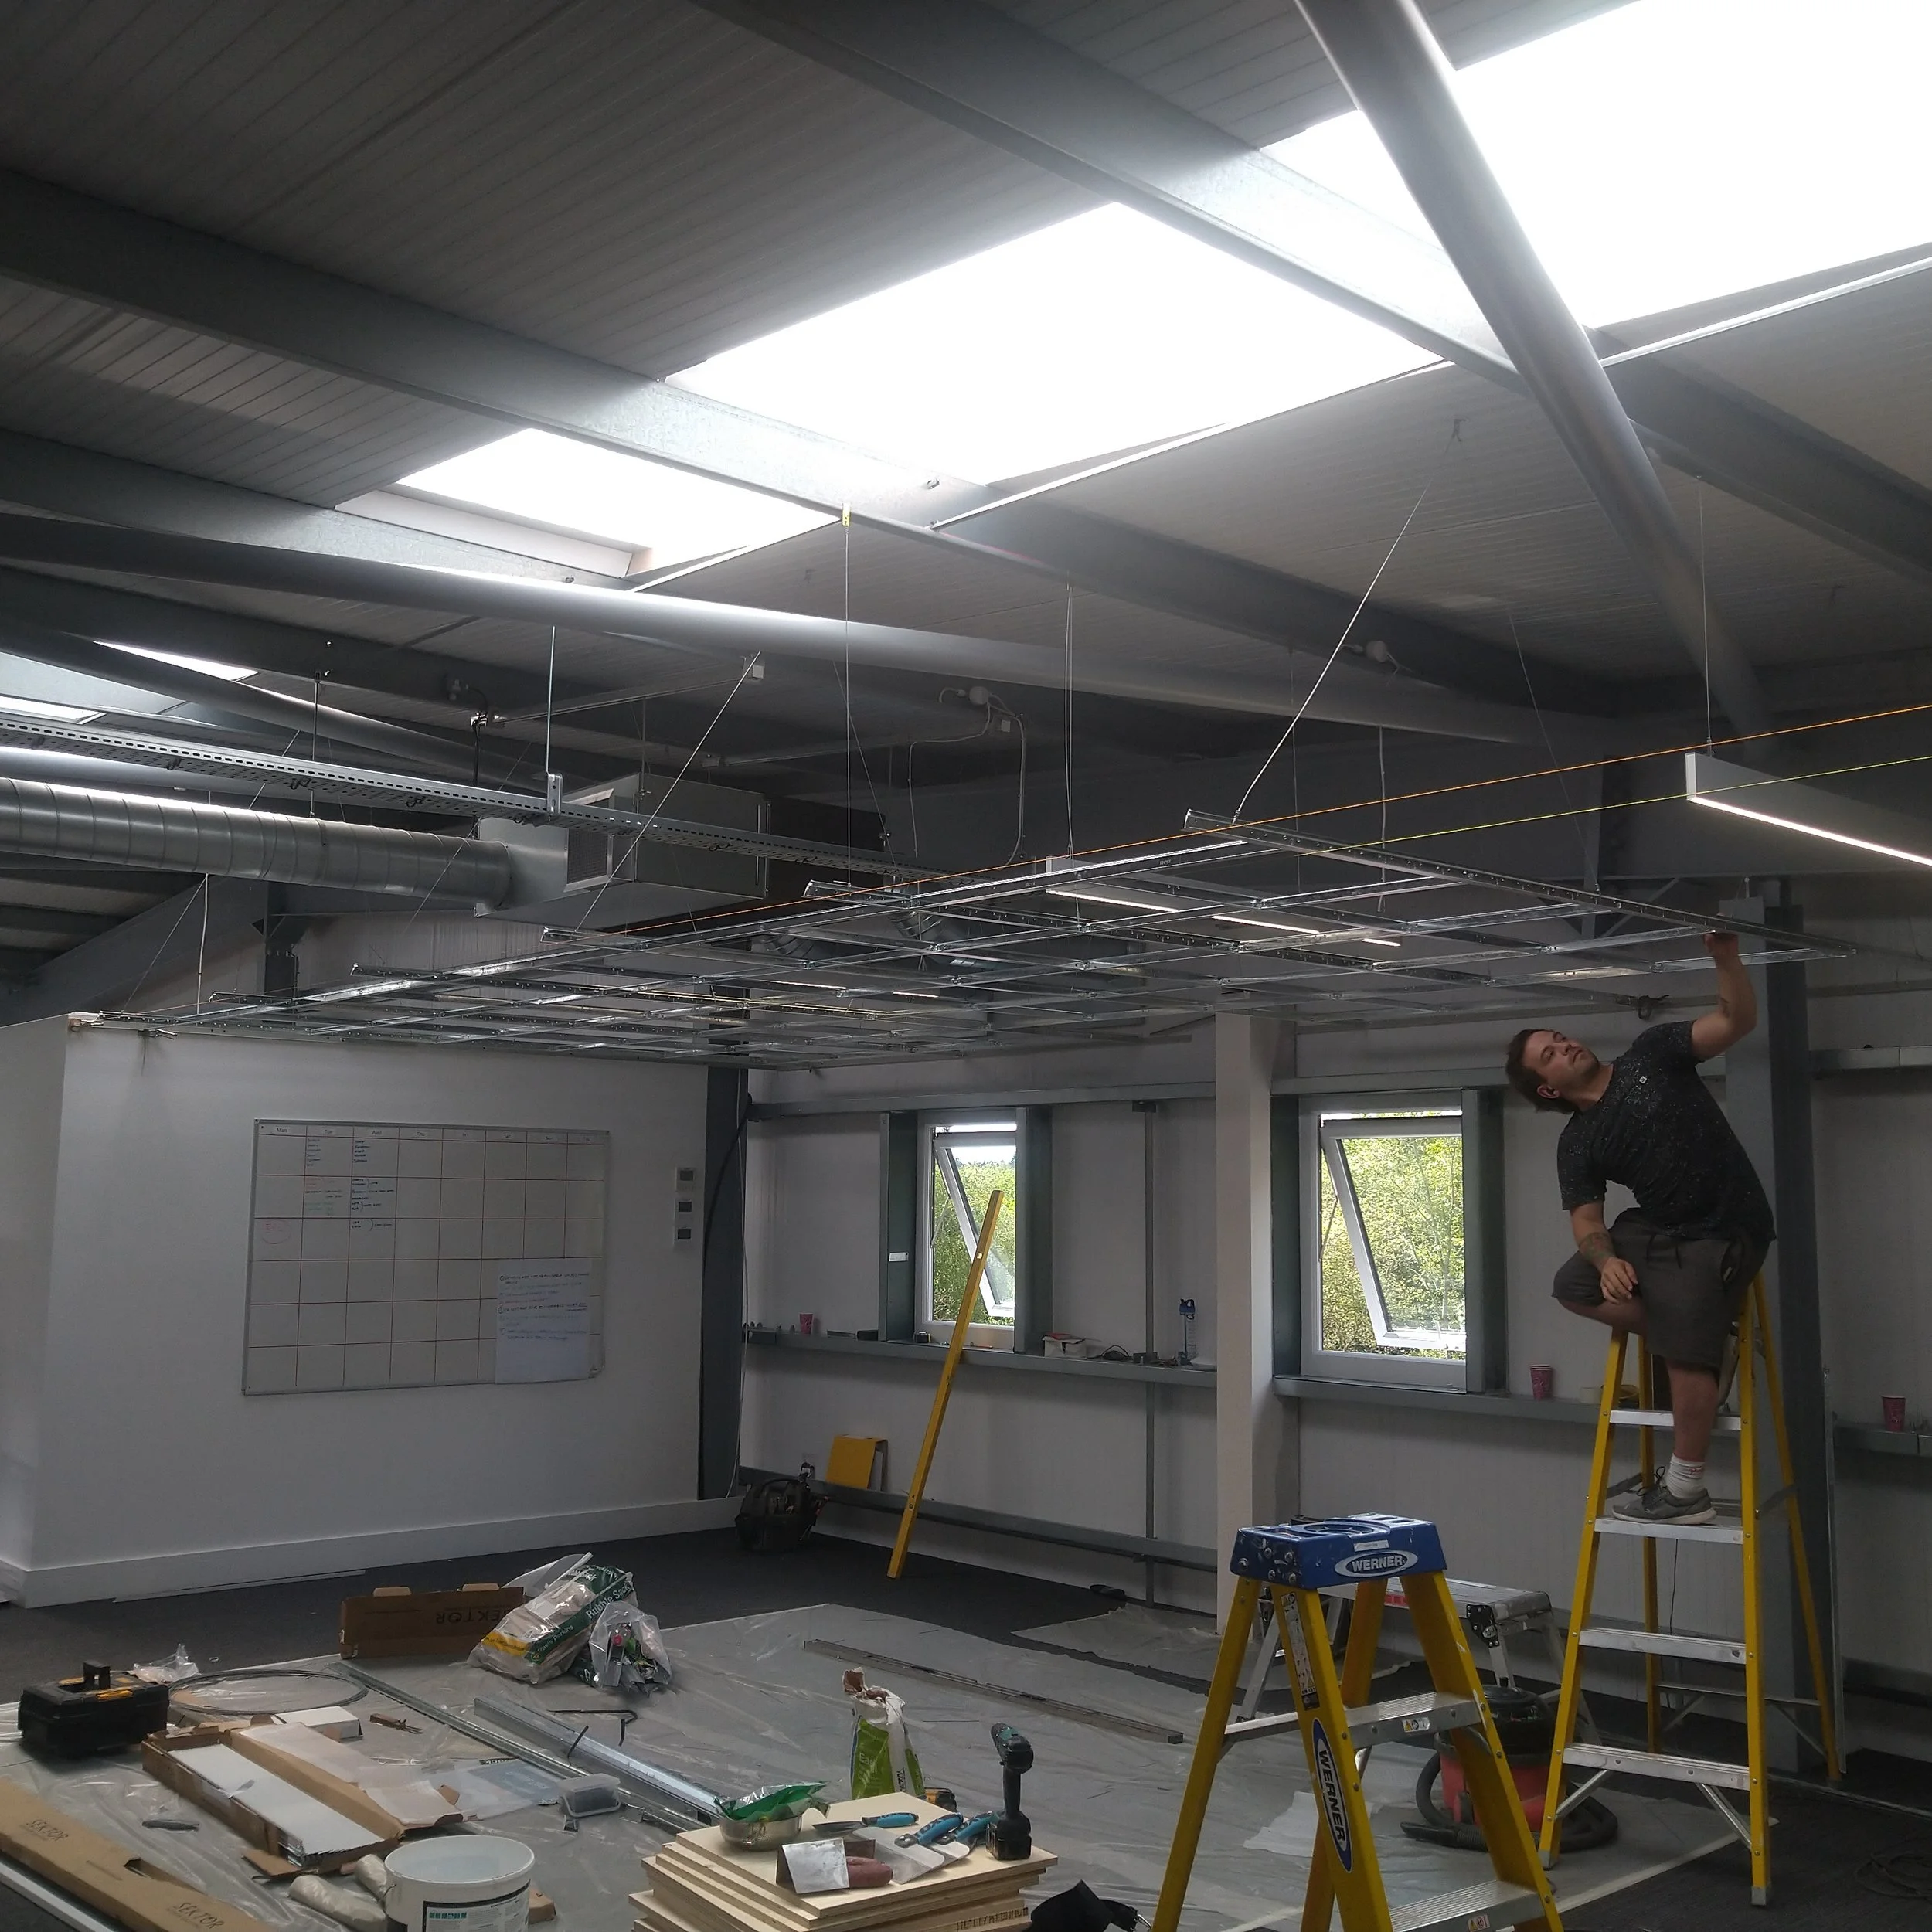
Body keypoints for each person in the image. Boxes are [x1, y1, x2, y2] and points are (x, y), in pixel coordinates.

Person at [1505, 933, 1773, 1525]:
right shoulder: (1578, 1142)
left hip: (1726, 1226)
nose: (1565, 1045)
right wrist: (1605, 1262)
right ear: (1548, 1088)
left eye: (1559, 1038)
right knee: (1573, 1285)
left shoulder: (1652, 1054)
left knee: (1682, 1347)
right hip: (1660, 1229)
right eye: (1550, 1054)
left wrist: (1725, 960)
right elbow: (1586, 1219)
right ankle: (1703, 1332)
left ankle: (1685, 1490)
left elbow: (1736, 1021)